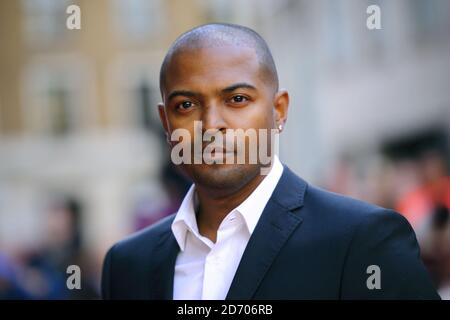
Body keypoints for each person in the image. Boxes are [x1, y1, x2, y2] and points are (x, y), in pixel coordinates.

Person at [101, 23, 440, 299]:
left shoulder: (363, 240)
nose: (211, 124)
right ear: (166, 123)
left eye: (236, 99)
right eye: (186, 105)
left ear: (278, 110)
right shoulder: (128, 265)